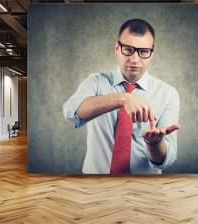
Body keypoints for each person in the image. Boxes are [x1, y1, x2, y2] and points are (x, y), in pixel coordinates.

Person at [63, 18, 180, 174]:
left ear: (151, 53)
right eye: (128, 49)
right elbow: (71, 112)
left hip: (143, 189)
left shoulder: (167, 93)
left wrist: (154, 144)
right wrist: (123, 98)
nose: (135, 59)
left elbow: (166, 159)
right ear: (117, 48)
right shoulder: (96, 82)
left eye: (143, 51)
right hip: (95, 186)